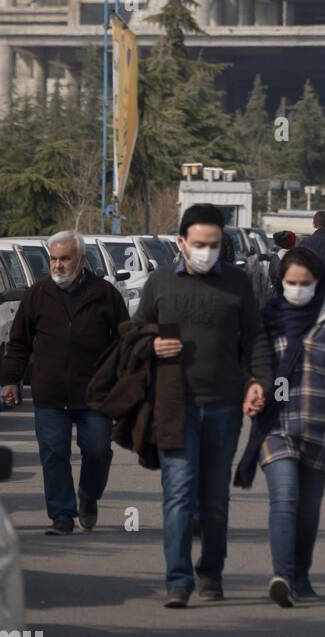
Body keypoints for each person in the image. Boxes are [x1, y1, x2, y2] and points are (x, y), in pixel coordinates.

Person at [135, 203, 273, 607]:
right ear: (181, 242)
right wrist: (152, 344)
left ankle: (211, 572)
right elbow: (134, 333)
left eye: (214, 244)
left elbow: (256, 338)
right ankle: (178, 580)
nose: (206, 251)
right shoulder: (160, 283)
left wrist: (259, 383)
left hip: (224, 407)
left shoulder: (237, 283)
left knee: (213, 498)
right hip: (173, 406)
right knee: (179, 493)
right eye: (199, 244)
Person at [234, 246, 325, 607]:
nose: (298, 289)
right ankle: (283, 576)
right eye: (291, 282)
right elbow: (249, 361)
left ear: (318, 283)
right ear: (280, 282)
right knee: (285, 497)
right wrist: (250, 386)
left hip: (321, 425)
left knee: (308, 510)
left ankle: (301, 576)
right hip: (276, 423)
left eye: (305, 283)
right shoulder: (266, 317)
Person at [1, 230, 129, 535]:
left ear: (81, 259)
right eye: (54, 259)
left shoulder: (105, 294)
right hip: (50, 393)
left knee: (98, 451)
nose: (58, 265)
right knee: (54, 455)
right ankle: (62, 516)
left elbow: (125, 342)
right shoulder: (37, 294)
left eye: (65, 259)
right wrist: (10, 380)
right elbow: (19, 343)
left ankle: (89, 497)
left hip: (94, 394)